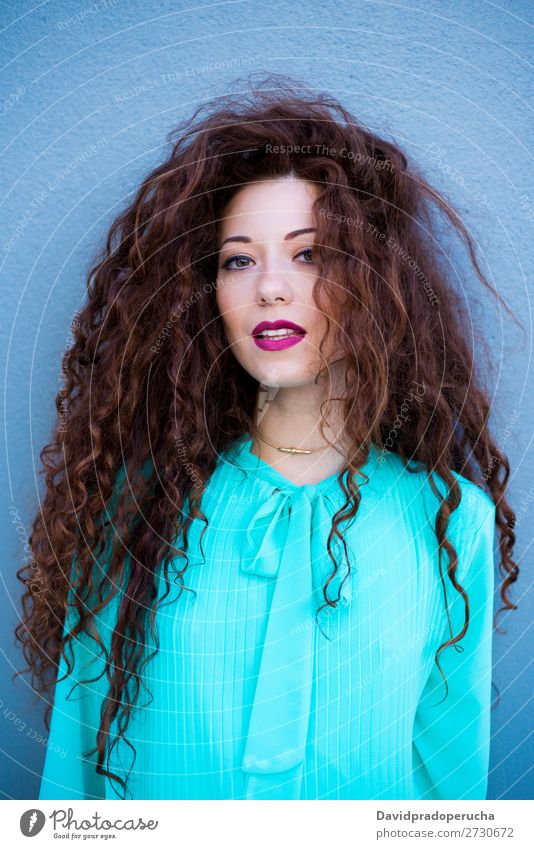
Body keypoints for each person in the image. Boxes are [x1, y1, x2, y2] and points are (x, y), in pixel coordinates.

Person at [18, 74, 518, 801]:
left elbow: (451, 787)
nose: (271, 288)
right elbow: (73, 780)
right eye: (238, 260)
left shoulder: (451, 520)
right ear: (208, 293)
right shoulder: (135, 510)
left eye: (311, 253)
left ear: (375, 280)